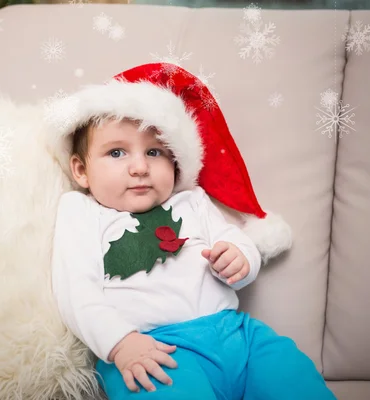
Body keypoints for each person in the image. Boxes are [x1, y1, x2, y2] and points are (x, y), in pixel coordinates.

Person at [49, 63, 336, 400]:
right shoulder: (81, 211)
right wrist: (119, 343)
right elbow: (75, 290)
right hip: (152, 351)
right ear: (81, 170)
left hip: (238, 336)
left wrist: (240, 258)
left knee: (292, 378)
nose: (140, 167)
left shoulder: (192, 201)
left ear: (175, 162)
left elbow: (232, 239)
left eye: (154, 152)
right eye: (116, 152)